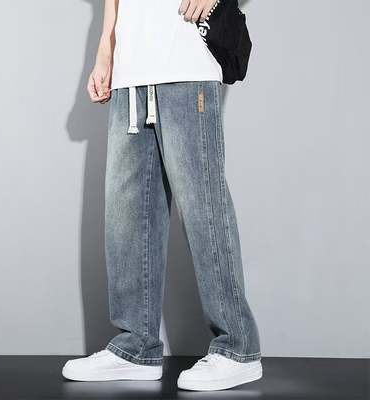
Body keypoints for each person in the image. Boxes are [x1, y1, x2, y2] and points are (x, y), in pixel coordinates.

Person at [62, 0, 262, 391]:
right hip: (131, 67)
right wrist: (106, 48)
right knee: (127, 215)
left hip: (186, 59)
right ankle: (135, 346)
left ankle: (238, 348)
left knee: (204, 208)